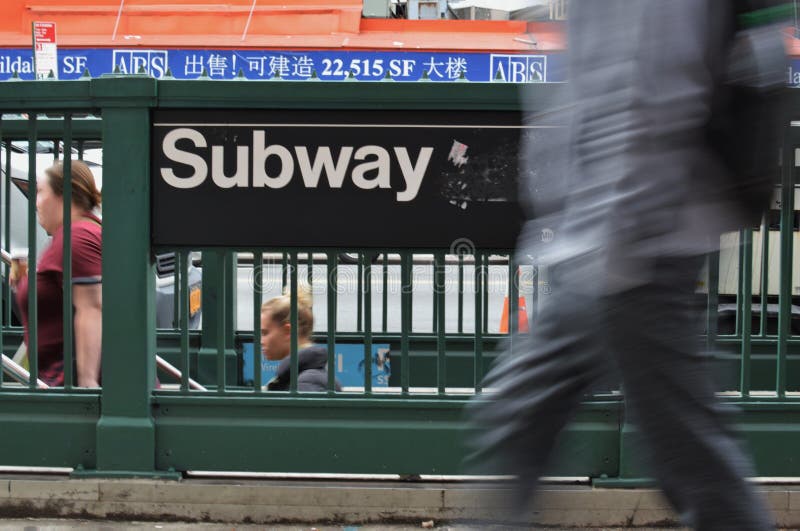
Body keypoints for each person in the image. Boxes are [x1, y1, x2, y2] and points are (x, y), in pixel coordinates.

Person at [467, 2, 784, 530]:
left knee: (691, 457)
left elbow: (645, 96)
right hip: (600, 240)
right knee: (519, 413)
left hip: (633, 244)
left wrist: (609, 244)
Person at [10, 160, 102, 388]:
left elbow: (92, 307)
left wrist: (87, 384)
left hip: (69, 384)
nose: (36, 202)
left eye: (41, 192)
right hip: (60, 379)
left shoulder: (77, 238)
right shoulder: (76, 233)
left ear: (65, 196)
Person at [260, 286, 340, 392]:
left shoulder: (305, 383)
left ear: (288, 331)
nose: (261, 341)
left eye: (265, 333)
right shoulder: (301, 376)